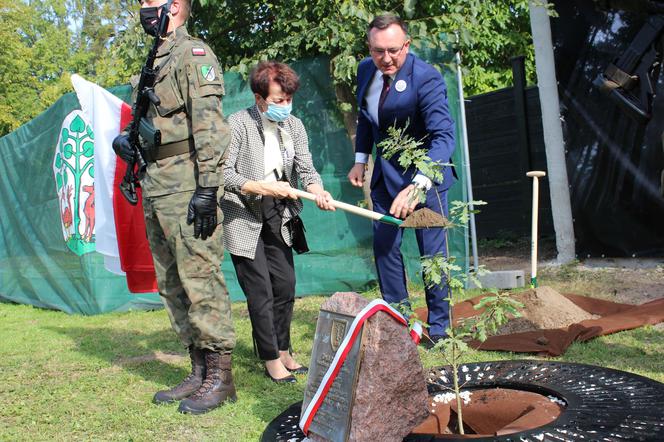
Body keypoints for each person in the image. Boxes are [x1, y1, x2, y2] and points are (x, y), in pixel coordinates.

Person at [112, 0, 236, 414]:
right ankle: (199, 370)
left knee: (200, 276)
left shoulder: (193, 54)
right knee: (171, 281)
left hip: (187, 184)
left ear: (176, 6)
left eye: (152, 2)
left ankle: (221, 377)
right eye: (142, 3)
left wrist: (207, 189)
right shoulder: (154, 60)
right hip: (156, 182)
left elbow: (210, 127)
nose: (145, 9)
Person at [221, 61, 335, 383]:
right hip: (243, 212)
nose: (285, 107)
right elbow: (224, 174)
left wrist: (319, 191)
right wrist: (264, 186)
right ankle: (271, 358)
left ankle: (284, 349)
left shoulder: (295, 126)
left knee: (285, 284)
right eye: (277, 101)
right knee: (260, 290)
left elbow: (306, 170)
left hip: (277, 211)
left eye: (288, 100)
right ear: (259, 99)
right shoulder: (238, 124)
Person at [347, 14, 457, 345]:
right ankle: (400, 323)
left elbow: (444, 137)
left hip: (427, 181)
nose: (387, 58)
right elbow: (366, 118)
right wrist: (360, 160)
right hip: (385, 178)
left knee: (433, 259)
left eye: (394, 50)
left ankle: (439, 330)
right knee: (384, 249)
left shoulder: (426, 78)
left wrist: (418, 184)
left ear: (406, 45)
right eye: (378, 51)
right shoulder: (366, 70)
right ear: (370, 48)